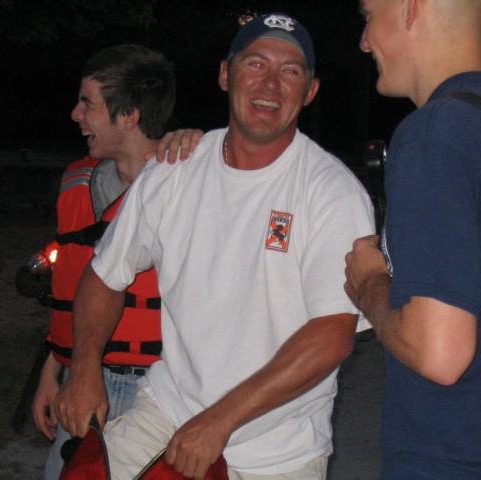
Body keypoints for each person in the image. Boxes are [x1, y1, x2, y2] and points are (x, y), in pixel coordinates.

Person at [55, 13, 374, 480]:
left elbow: (332, 332)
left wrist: (219, 421)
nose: (270, 84)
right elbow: (106, 274)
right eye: (255, 64)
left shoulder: (332, 192)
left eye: (290, 71)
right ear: (226, 75)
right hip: (167, 415)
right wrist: (84, 368)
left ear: (309, 91)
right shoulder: (173, 169)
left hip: (277, 452)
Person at [26, 44, 177, 480]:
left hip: (159, 389)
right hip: (83, 380)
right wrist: (52, 373)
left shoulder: (186, 186)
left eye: (87, 103)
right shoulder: (75, 182)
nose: (76, 114)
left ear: (128, 115)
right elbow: (70, 289)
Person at [344, 1, 481, 478]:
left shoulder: (435, 134)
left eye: (367, 15)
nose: (364, 41)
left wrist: (368, 284)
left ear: (409, 8)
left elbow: (439, 352)